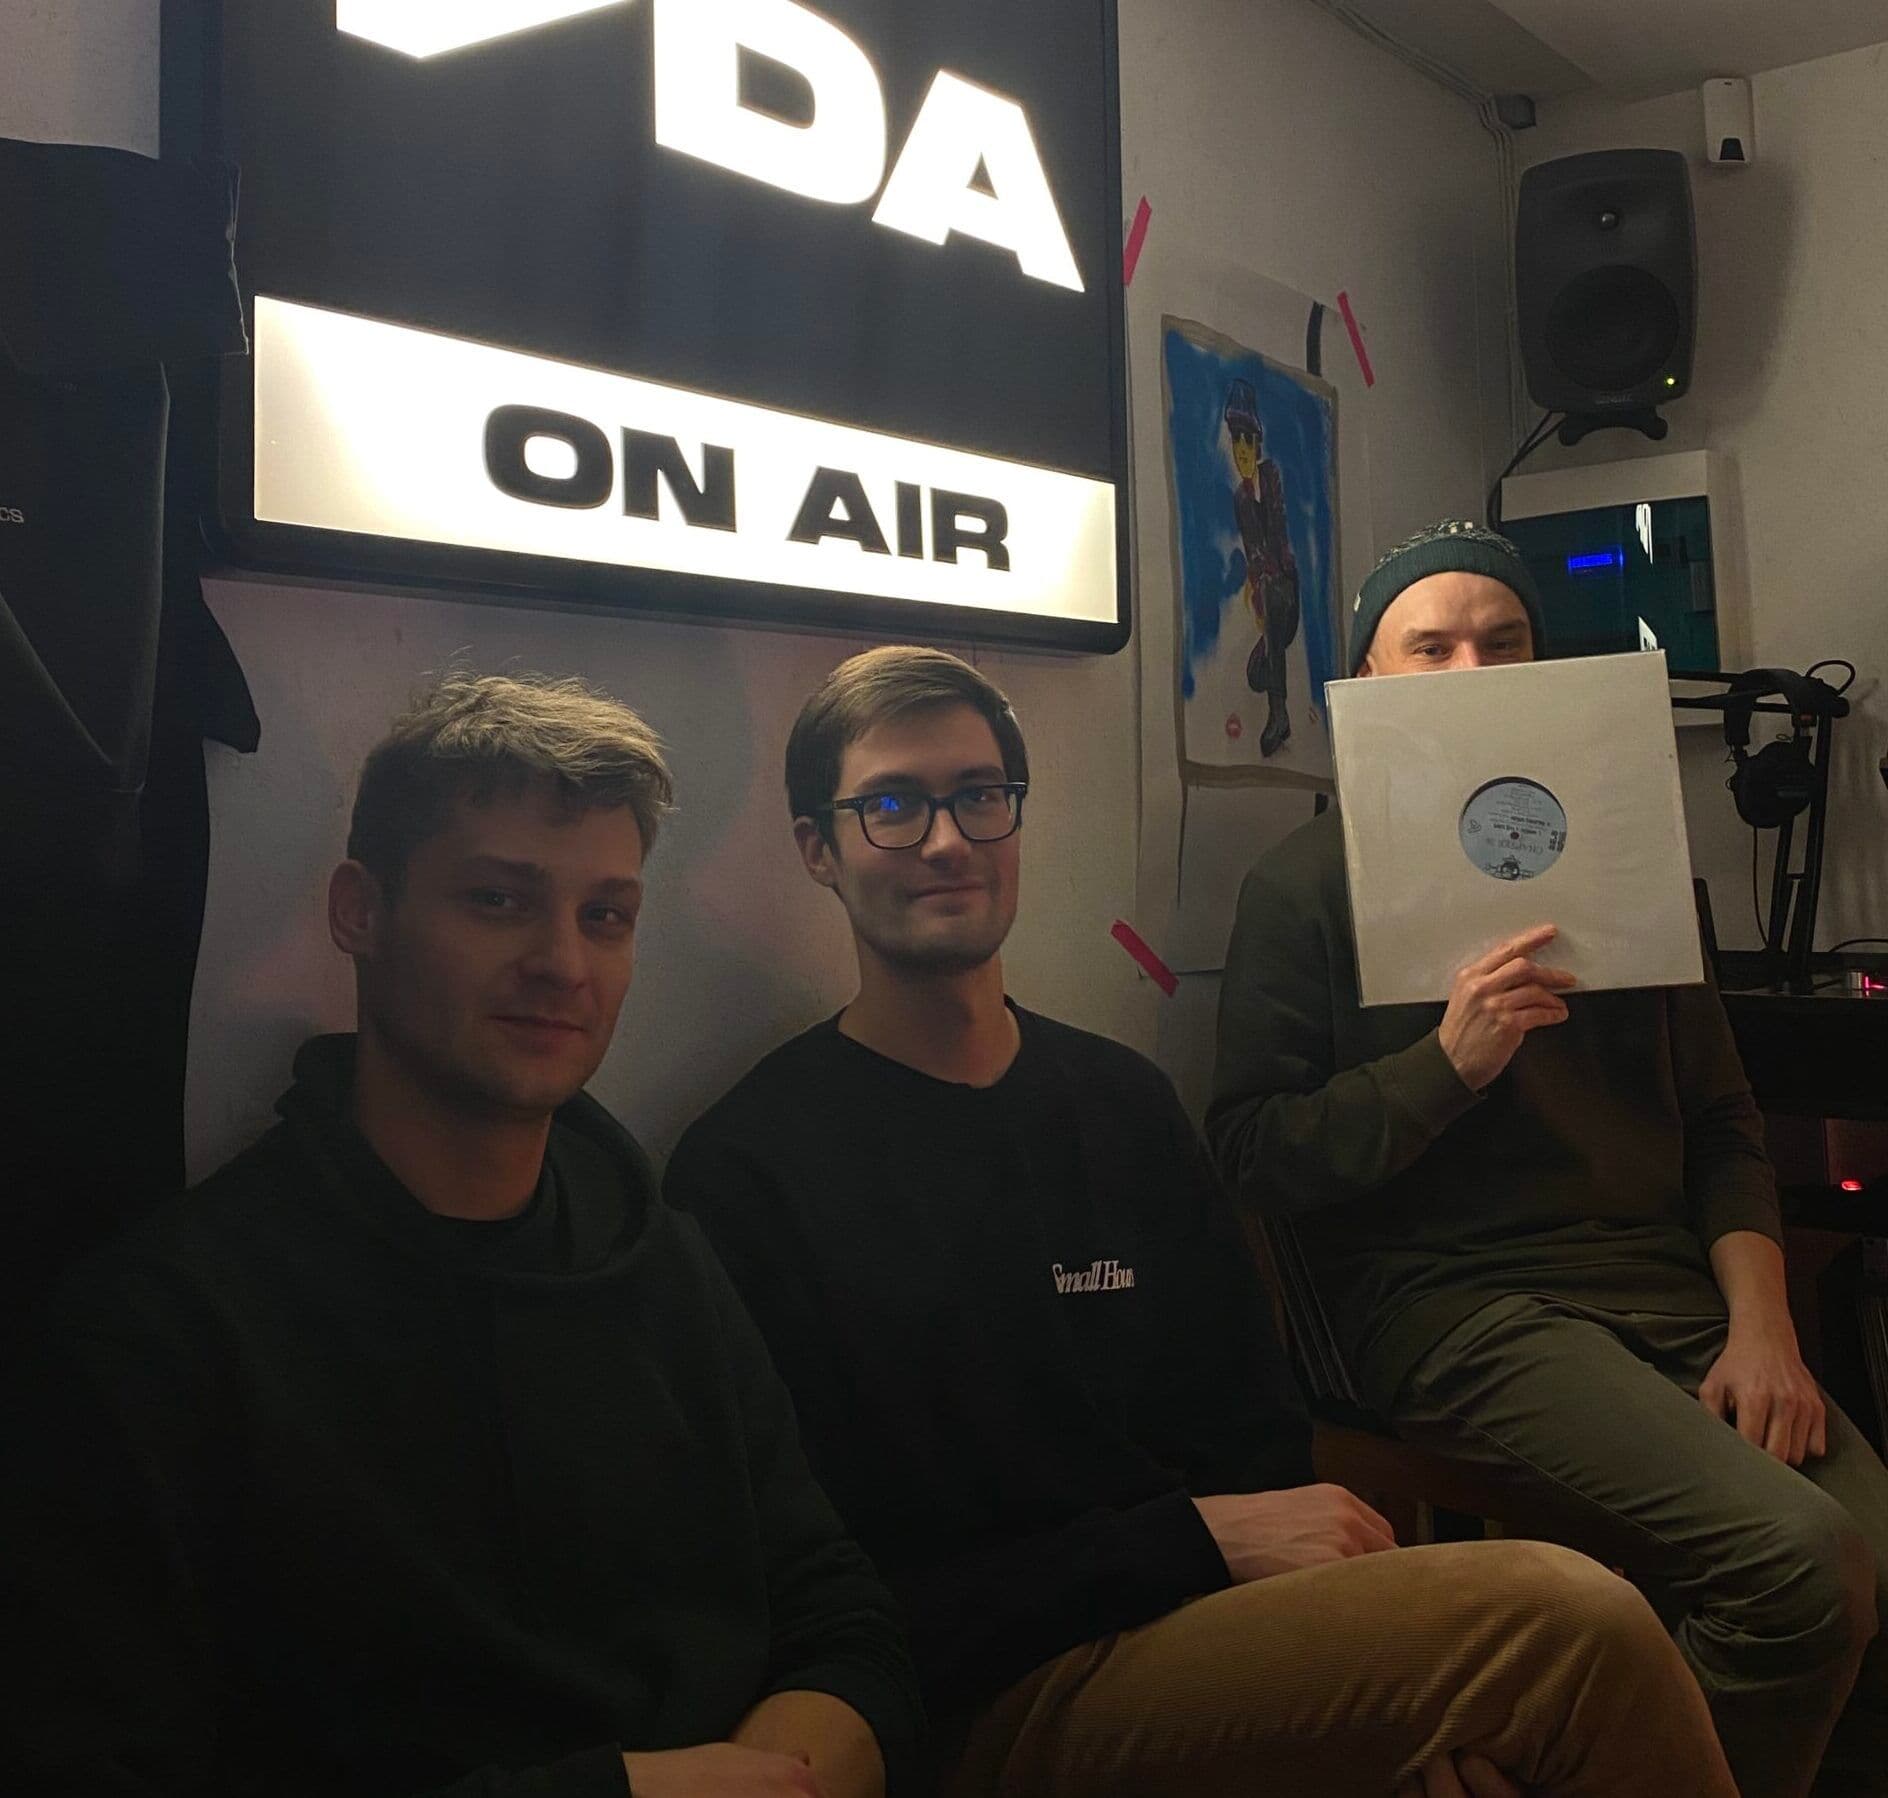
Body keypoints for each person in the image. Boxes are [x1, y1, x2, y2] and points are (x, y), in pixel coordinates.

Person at [666, 643, 1739, 1798]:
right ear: (816, 847)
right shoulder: (749, 1171)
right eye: (891, 805)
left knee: (1540, 1687)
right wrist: (1188, 1547)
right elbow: (831, 1601)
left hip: (1211, 1629)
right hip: (982, 1691)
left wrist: (1392, 1701)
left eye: (978, 795)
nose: (944, 840)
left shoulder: (1120, 1102)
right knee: (1566, 1623)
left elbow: (1258, 1445)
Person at [0, 672, 921, 1798]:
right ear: (360, 911)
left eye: (605, 916)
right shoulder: (163, 1335)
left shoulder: (664, 1258)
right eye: (497, 899)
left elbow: (839, 1614)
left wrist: (786, 1771)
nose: (563, 964)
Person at [1209, 520, 1888, 1798]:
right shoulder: (1303, 884)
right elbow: (1251, 1152)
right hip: (1452, 1305)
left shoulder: (1625, 863)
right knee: (1799, 1568)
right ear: (1364, 680)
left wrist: (1767, 1332)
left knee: (1869, 1572)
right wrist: (1444, 1065)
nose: (1471, 672)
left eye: (1503, 643)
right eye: (1431, 648)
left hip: (1663, 1296)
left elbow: (1723, 1122)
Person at [1223, 377, 1301, 756]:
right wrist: (1256, 585)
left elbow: (1278, 534)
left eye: (1247, 440)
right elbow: (1253, 550)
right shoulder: (1241, 498)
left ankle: (1278, 714)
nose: (1241, 450)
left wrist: (1272, 576)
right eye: (1235, 440)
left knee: (1272, 588)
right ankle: (1275, 699)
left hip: (1286, 591)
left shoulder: (1270, 477)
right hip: (1268, 603)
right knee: (1257, 675)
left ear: (1257, 444)